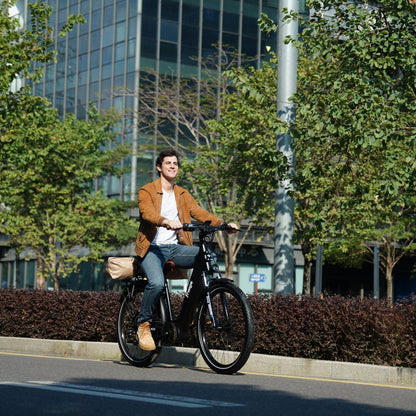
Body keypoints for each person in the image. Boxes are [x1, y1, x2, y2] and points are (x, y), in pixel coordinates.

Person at [134, 148, 237, 350]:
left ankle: (195, 312)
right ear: (159, 167)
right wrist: (165, 221)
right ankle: (143, 324)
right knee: (155, 283)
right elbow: (147, 213)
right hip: (152, 250)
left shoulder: (182, 194)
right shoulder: (146, 191)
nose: (173, 166)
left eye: (175, 163)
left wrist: (223, 224)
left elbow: (199, 212)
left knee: (205, 257)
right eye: (168, 163)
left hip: (174, 249)